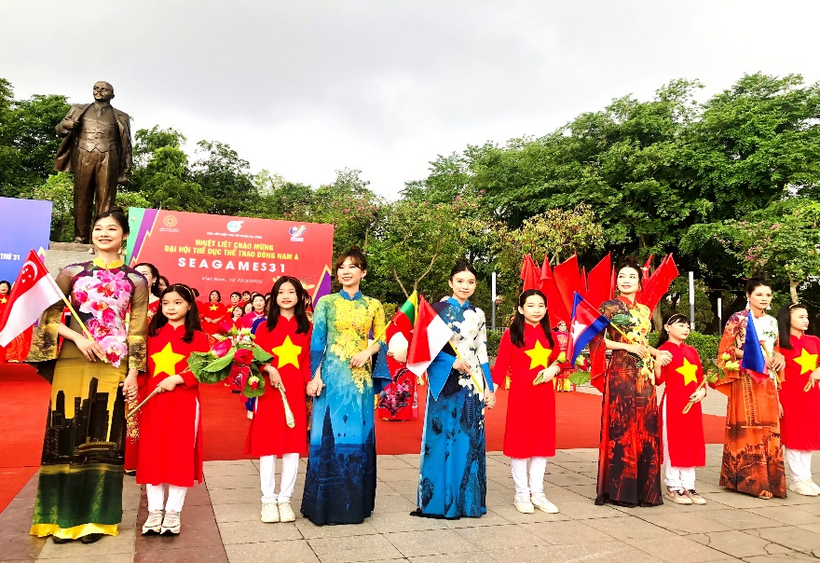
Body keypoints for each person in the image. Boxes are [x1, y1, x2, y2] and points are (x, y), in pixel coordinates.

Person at [27, 207, 148, 543]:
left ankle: (96, 518)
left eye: (112, 228)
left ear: (124, 235)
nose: (104, 233)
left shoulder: (135, 280)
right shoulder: (71, 272)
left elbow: (137, 331)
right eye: (98, 228)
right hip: (72, 358)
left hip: (113, 363)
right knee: (65, 434)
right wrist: (79, 337)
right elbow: (48, 317)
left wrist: (135, 373)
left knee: (104, 437)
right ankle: (58, 518)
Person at [301, 247, 385, 525]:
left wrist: (368, 352)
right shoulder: (326, 302)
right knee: (328, 434)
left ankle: (354, 505)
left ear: (363, 272)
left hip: (360, 379)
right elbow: (317, 343)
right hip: (332, 377)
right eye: (341, 267)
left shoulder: (374, 305)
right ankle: (325, 504)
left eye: (353, 266)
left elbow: (381, 340)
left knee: (357, 436)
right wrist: (315, 375)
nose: (346, 271)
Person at [413, 259, 496, 519]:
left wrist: (489, 387)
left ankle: (468, 502)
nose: (465, 286)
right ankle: (438, 502)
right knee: (442, 439)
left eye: (470, 282)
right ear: (450, 282)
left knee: (469, 440)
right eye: (460, 281)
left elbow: (482, 351)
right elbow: (423, 349)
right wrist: (452, 361)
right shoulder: (435, 310)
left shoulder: (479, 314)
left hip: (471, 385)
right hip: (445, 383)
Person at [591, 258, 671, 507]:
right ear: (617, 281)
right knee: (623, 425)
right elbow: (597, 341)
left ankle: (644, 490)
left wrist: (655, 353)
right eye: (622, 276)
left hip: (644, 374)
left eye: (632, 277)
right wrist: (627, 346)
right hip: (621, 371)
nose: (626, 280)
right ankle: (620, 489)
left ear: (640, 282)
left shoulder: (645, 310)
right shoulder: (609, 307)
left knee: (646, 426)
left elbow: (643, 343)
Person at [137, 284, 209, 535]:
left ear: (189, 305)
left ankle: (173, 512)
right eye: (166, 303)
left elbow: (204, 370)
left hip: (184, 403)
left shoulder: (200, 338)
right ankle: (154, 511)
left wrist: (177, 379)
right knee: (152, 453)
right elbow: (141, 368)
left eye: (177, 302)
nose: (170, 307)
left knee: (179, 454)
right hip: (153, 402)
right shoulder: (152, 333)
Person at [246, 277, 311, 523]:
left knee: (293, 446)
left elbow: (308, 360)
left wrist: (310, 384)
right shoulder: (263, 327)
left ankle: (285, 499)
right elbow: (253, 357)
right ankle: (268, 500)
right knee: (268, 445)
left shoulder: (307, 327)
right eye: (281, 291)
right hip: (269, 392)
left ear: (300, 297)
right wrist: (267, 368)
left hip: (295, 391)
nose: (286, 296)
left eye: (291, 291)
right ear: (274, 296)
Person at [715, 278, 786, 499]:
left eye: (768, 295)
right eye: (759, 294)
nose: (764, 298)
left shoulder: (773, 322)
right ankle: (750, 481)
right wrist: (753, 357)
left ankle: (771, 480)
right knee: (749, 426)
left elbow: (775, 348)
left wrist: (778, 357)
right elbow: (726, 350)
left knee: (769, 427)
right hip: (746, 378)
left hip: (768, 379)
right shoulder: (739, 319)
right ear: (748, 296)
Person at [492, 289, 560, 514]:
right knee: (520, 445)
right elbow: (501, 365)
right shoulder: (511, 334)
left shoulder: (550, 334)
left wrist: (555, 368)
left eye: (541, 305)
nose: (536, 310)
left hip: (544, 397)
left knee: (541, 445)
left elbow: (561, 360)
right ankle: (521, 494)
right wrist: (490, 390)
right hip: (521, 396)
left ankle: (537, 493)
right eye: (531, 305)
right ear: (521, 309)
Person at [53, 81, 132, 244]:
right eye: (96, 88)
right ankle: (80, 237)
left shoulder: (121, 116)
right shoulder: (78, 109)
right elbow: (59, 130)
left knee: (106, 201)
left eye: (104, 89)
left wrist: (125, 171)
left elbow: (127, 145)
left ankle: (100, 240)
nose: (99, 91)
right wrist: (65, 125)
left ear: (112, 95)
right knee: (81, 198)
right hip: (83, 154)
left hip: (109, 157)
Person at [654, 313, 707, 505]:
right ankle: (673, 485)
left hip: (693, 403)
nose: (686, 329)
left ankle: (688, 484)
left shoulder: (692, 351)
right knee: (673, 442)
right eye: (681, 325)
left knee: (691, 441)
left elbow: (701, 379)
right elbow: (658, 380)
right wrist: (657, 363)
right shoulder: (662, 351)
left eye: (687, 326)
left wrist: (702, 393)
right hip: (674, 402)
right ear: (667, 328)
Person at [777, 303, 820, 496]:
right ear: (788, 319)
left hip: (810, 394)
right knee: (793, 436)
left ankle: (806, 476)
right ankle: (797, 478)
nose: (806, 320)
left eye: (807, 316)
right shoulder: (779, 343)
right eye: (801, 316)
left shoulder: (814, 340)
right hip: (789, 395)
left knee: (808, 434)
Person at [126, 263, 161, 475]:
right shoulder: (122, 304)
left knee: (140, 410)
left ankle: (139, 459)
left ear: (155, 279)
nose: (138, 277)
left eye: (144, 274)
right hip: (119, 362)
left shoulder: (163, 305)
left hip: (149, 365)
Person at [377, 322, 418, 421]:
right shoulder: (389, 327)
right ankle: (388, 413)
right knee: (390, 385)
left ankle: (403, 414)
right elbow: (380, 342)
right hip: (391, 360)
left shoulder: (413, 326)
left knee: (405, 387)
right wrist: (385, 350)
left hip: (407, 362)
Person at [552, 320, 573, 392]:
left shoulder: (569, 336)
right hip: (557, 354)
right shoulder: (554, 335)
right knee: (556, 369)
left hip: (566, 355)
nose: (563, 327)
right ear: (558, 327)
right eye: (561, 325)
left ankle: (566, 387)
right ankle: (555, 386)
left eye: (564, 325)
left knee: (567, 371)